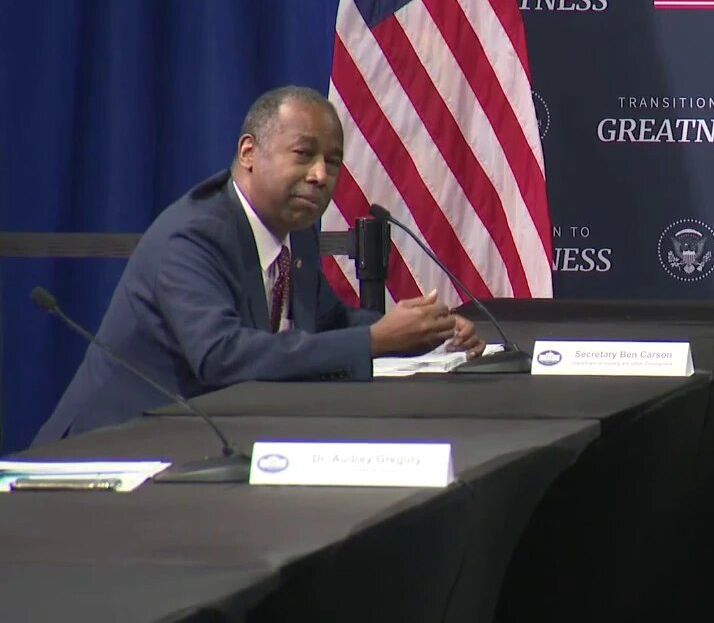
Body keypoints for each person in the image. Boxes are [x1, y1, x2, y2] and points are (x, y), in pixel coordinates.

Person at [36, 86, 484, 441]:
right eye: (303, 154)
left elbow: (329, 322)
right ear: (249, 153)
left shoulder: (297, 230)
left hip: (199, 441)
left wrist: (422, 333)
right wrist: (374, 340)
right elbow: (221, 355)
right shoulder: (194, 235)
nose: (320, 176)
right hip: (109, 451)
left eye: (332, 162)